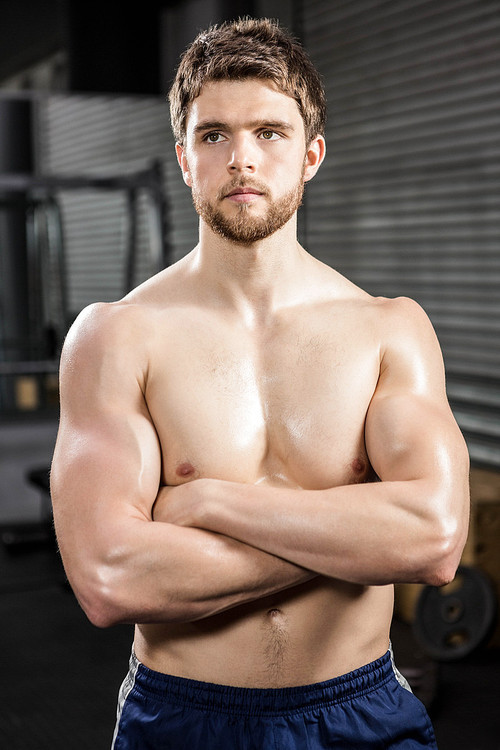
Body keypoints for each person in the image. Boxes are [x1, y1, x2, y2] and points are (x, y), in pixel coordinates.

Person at [50, 17, 470, 750]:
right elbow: (112, 578)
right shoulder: (117, 336)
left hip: (362, 709)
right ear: (185, 158)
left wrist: (210, 501)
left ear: (310, 155)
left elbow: (432, 540)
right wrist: (363, 537)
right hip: (182, 716)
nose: (242, 159)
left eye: (269, 133)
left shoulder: (389, 329)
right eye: (214, 135)